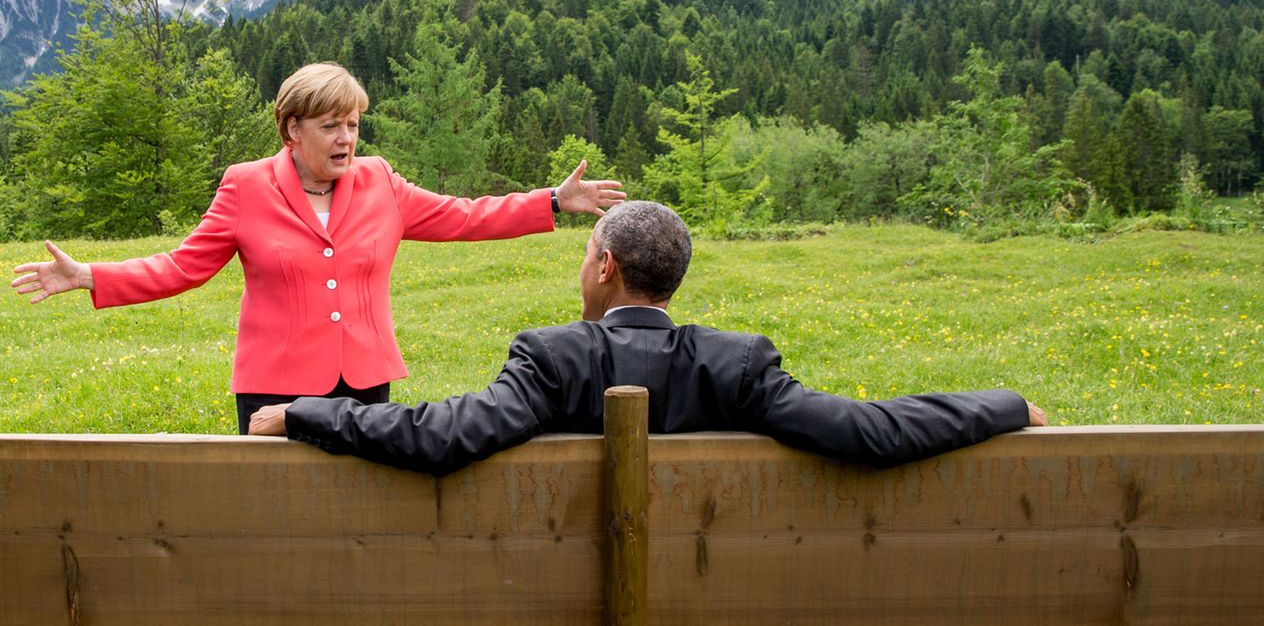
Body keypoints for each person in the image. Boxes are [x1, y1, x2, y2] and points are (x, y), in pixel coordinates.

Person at [10, 62, 625, 433]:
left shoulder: (381, 181)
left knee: (359, 515)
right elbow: (182, 266)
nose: (346, 138)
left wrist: (549, 201)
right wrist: (91, 275)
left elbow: (462, 216)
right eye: (331, 125)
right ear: (292, 129)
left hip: (363, 382)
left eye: (353, 124)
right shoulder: (245, 186)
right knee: (276, 520)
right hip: (274, 384)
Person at [248, 200, 1047, 475]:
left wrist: (307, 412)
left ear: (603, 266)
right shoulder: (737, 364)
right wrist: (1004, 404)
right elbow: (870, 431)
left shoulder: (551, 358)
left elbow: (443, 436)